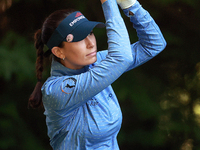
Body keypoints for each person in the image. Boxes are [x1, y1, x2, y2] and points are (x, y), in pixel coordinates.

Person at [29, 0, 166, 149]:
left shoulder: (96, 63)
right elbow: (122, 58)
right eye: (80, 38)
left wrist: (130, 5)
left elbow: (153, 44)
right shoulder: (56, 90)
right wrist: (108, 3)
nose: (91, 43)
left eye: (90, 33)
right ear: (58, 51)